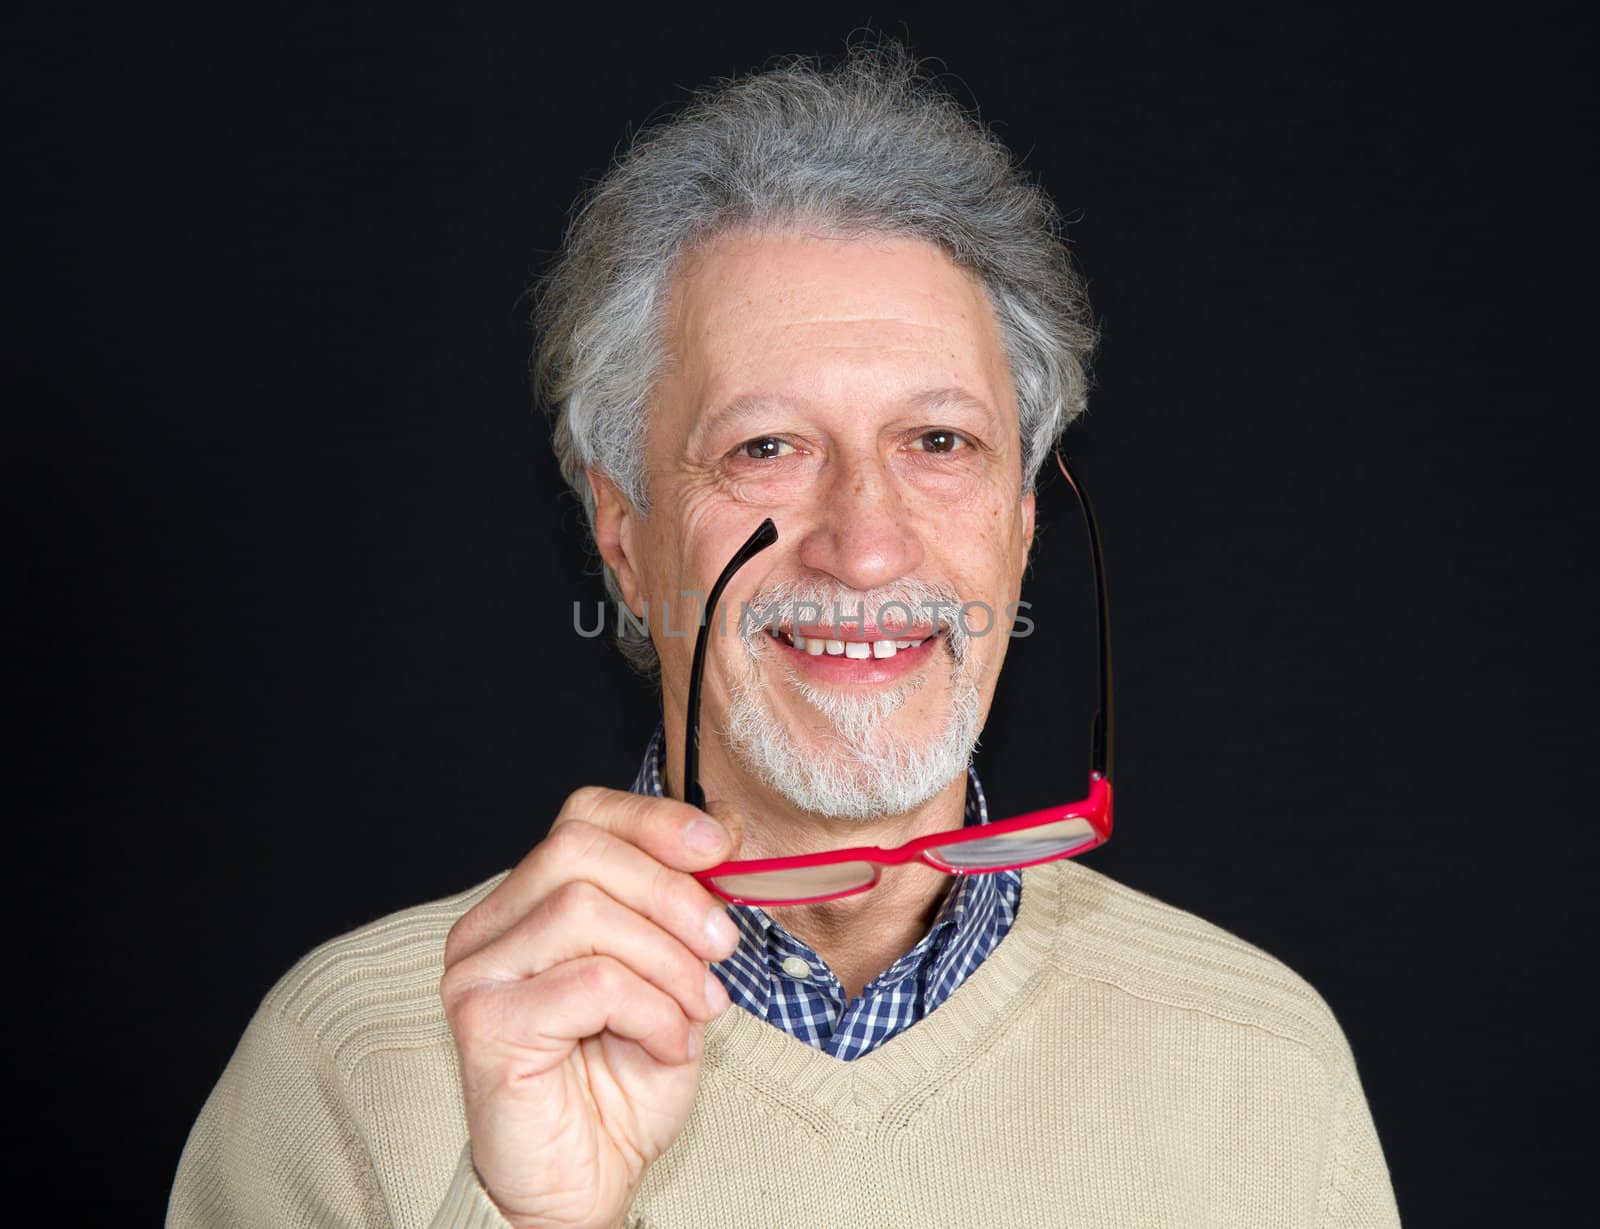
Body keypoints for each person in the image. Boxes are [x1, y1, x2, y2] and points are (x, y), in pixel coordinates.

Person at [169, 45, 1400, 1228]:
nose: (864, 544)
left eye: (938, 443)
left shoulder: (1264, 1061)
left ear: (1022, 526)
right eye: (766, 448)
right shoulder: (350, 1058)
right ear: (622, 533)